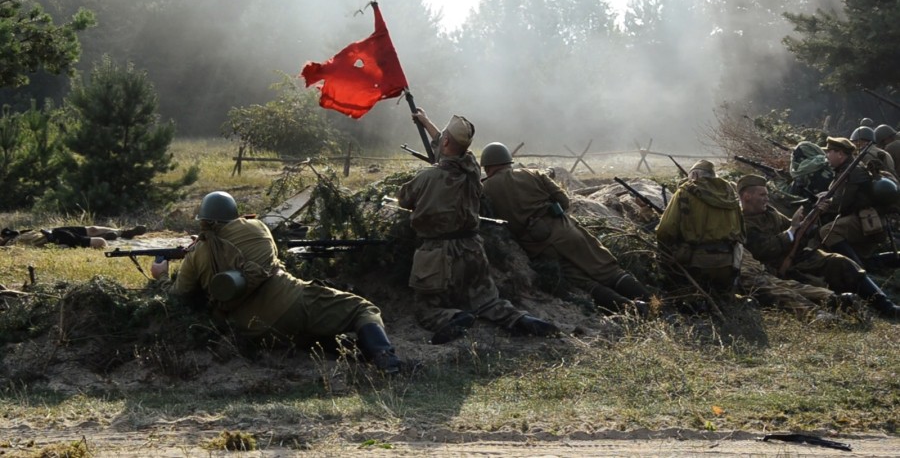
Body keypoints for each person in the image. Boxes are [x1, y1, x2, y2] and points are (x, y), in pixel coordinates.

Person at [149, 191, 403, 374]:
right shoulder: (257, 228)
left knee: (308, 337)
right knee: (362, 309)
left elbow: (178, 296)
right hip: (293, 302)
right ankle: (385, 360)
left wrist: (161, 276)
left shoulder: (196, 255)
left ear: (203, 220)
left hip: (251, 329)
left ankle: (343, 350)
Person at [396, 110, 558, 344]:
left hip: (437, 255)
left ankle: (455, 318)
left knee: (426, 309)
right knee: (488, 301)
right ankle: (519, 318)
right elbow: (450, 145)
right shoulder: (472, 169)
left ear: (446, 142)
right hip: (472, 250)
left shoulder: (427, 178)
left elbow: (404, 199)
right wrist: (425, 122)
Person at [479, 142, 655, 314]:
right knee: (610, 272)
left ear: (487, 167)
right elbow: (564, 201)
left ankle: (633, 310)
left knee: (587, 284)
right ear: (509, 162)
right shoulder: (533, 174)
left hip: (539, 247)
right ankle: (656, 306)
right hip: (567, 233)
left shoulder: (485, 189)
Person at [656, 160, 840, 320]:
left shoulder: (685, 192)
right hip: (735, 256)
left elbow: (665, 231)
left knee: (762, 286)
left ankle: (814, 313)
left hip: (703, 261)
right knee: (769, 281)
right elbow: (740, 231)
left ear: (694, 175)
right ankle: (828, 297)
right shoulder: (729, 194)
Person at [738, 174, 900, 319]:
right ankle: (839, 305)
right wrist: (792, 231)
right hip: (775, 268)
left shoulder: (770, 213)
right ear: (747, 196)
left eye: (766, 194)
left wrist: (814, 215)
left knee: (840, 262)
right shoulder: (741, 222)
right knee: (808, 287)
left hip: (797, 258)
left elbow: (798, 232)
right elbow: (762, 250)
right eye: (762, 195)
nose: (767, 198)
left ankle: (886, 306)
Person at [817, 137, 888, 267]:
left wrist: (826, 205)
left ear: (840, 154)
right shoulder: (846, 169)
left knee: (827, 231)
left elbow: (841, 204)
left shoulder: (852, 172)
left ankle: (857, 272)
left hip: (866, 221)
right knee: (866, 259)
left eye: (829, 152)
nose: (826, 155)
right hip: (862, 218)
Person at [1, 225, 147, 249]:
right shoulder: (10, 247)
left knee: (93, 229)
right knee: (101, 241)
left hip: (52, 231)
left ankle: (124, 232)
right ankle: (109, 238)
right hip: (55, 240)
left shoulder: (8, 234)